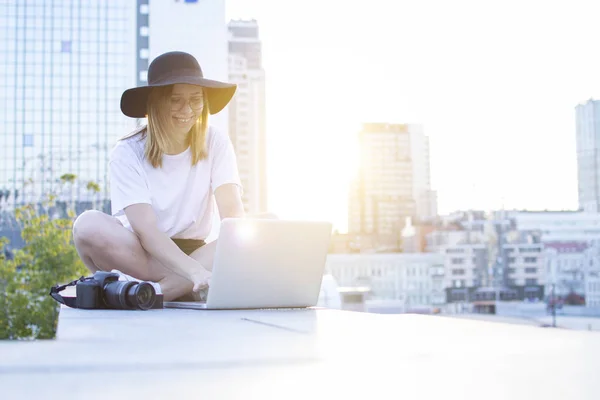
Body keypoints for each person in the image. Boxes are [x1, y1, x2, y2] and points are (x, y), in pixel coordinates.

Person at [72, 51, 245, 301]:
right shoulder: (127, 151)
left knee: (264, 225)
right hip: (141, 252)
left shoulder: (216, 141)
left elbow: (233, 216)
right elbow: (146, 230)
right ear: (156, 103)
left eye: (196, 100)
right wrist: (195, 271)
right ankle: (185, 285)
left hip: (198, 252)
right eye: (176, 100)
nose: (187, 110)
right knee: (87, 225)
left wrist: (230, 252)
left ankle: (152, 293)